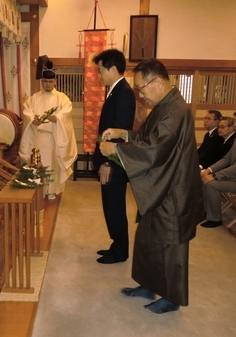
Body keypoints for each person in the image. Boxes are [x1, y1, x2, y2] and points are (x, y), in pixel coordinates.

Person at [100, 59, 203, 314]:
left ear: (157, 82)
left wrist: (116, 150)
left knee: (170, 246)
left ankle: (172, 298)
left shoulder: (177, 110)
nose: (140, 94)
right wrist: (124, 134)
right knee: (148, 239)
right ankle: (148, 284)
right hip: (160, 186)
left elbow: (155, 149)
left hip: (173, 190)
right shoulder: (163, 106)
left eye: (141, 87)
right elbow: (147, 137)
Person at [92, 49, 135, 264]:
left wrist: (108, 162)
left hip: (114, 162)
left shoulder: (124, 93)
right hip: (109, 159)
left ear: (113, 69)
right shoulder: (115, 91)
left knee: (115, 205)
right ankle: (116, 245)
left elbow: (121, 131)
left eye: (100, 71)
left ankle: (120, 251)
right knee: (110, 205)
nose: (99, 75)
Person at [18, 61, 77, 199]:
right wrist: (33, 119)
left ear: (55, 82)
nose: (47, 84)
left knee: (51, 164)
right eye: (44, 81)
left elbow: (66, 112)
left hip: (52, 137)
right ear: (41, 82)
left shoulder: (62, 98)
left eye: (50, 81)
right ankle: (38, 189)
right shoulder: (34, 98)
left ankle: (51, 190)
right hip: (38, 137)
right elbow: (27, 111)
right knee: (38, 164)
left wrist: (57, 117)